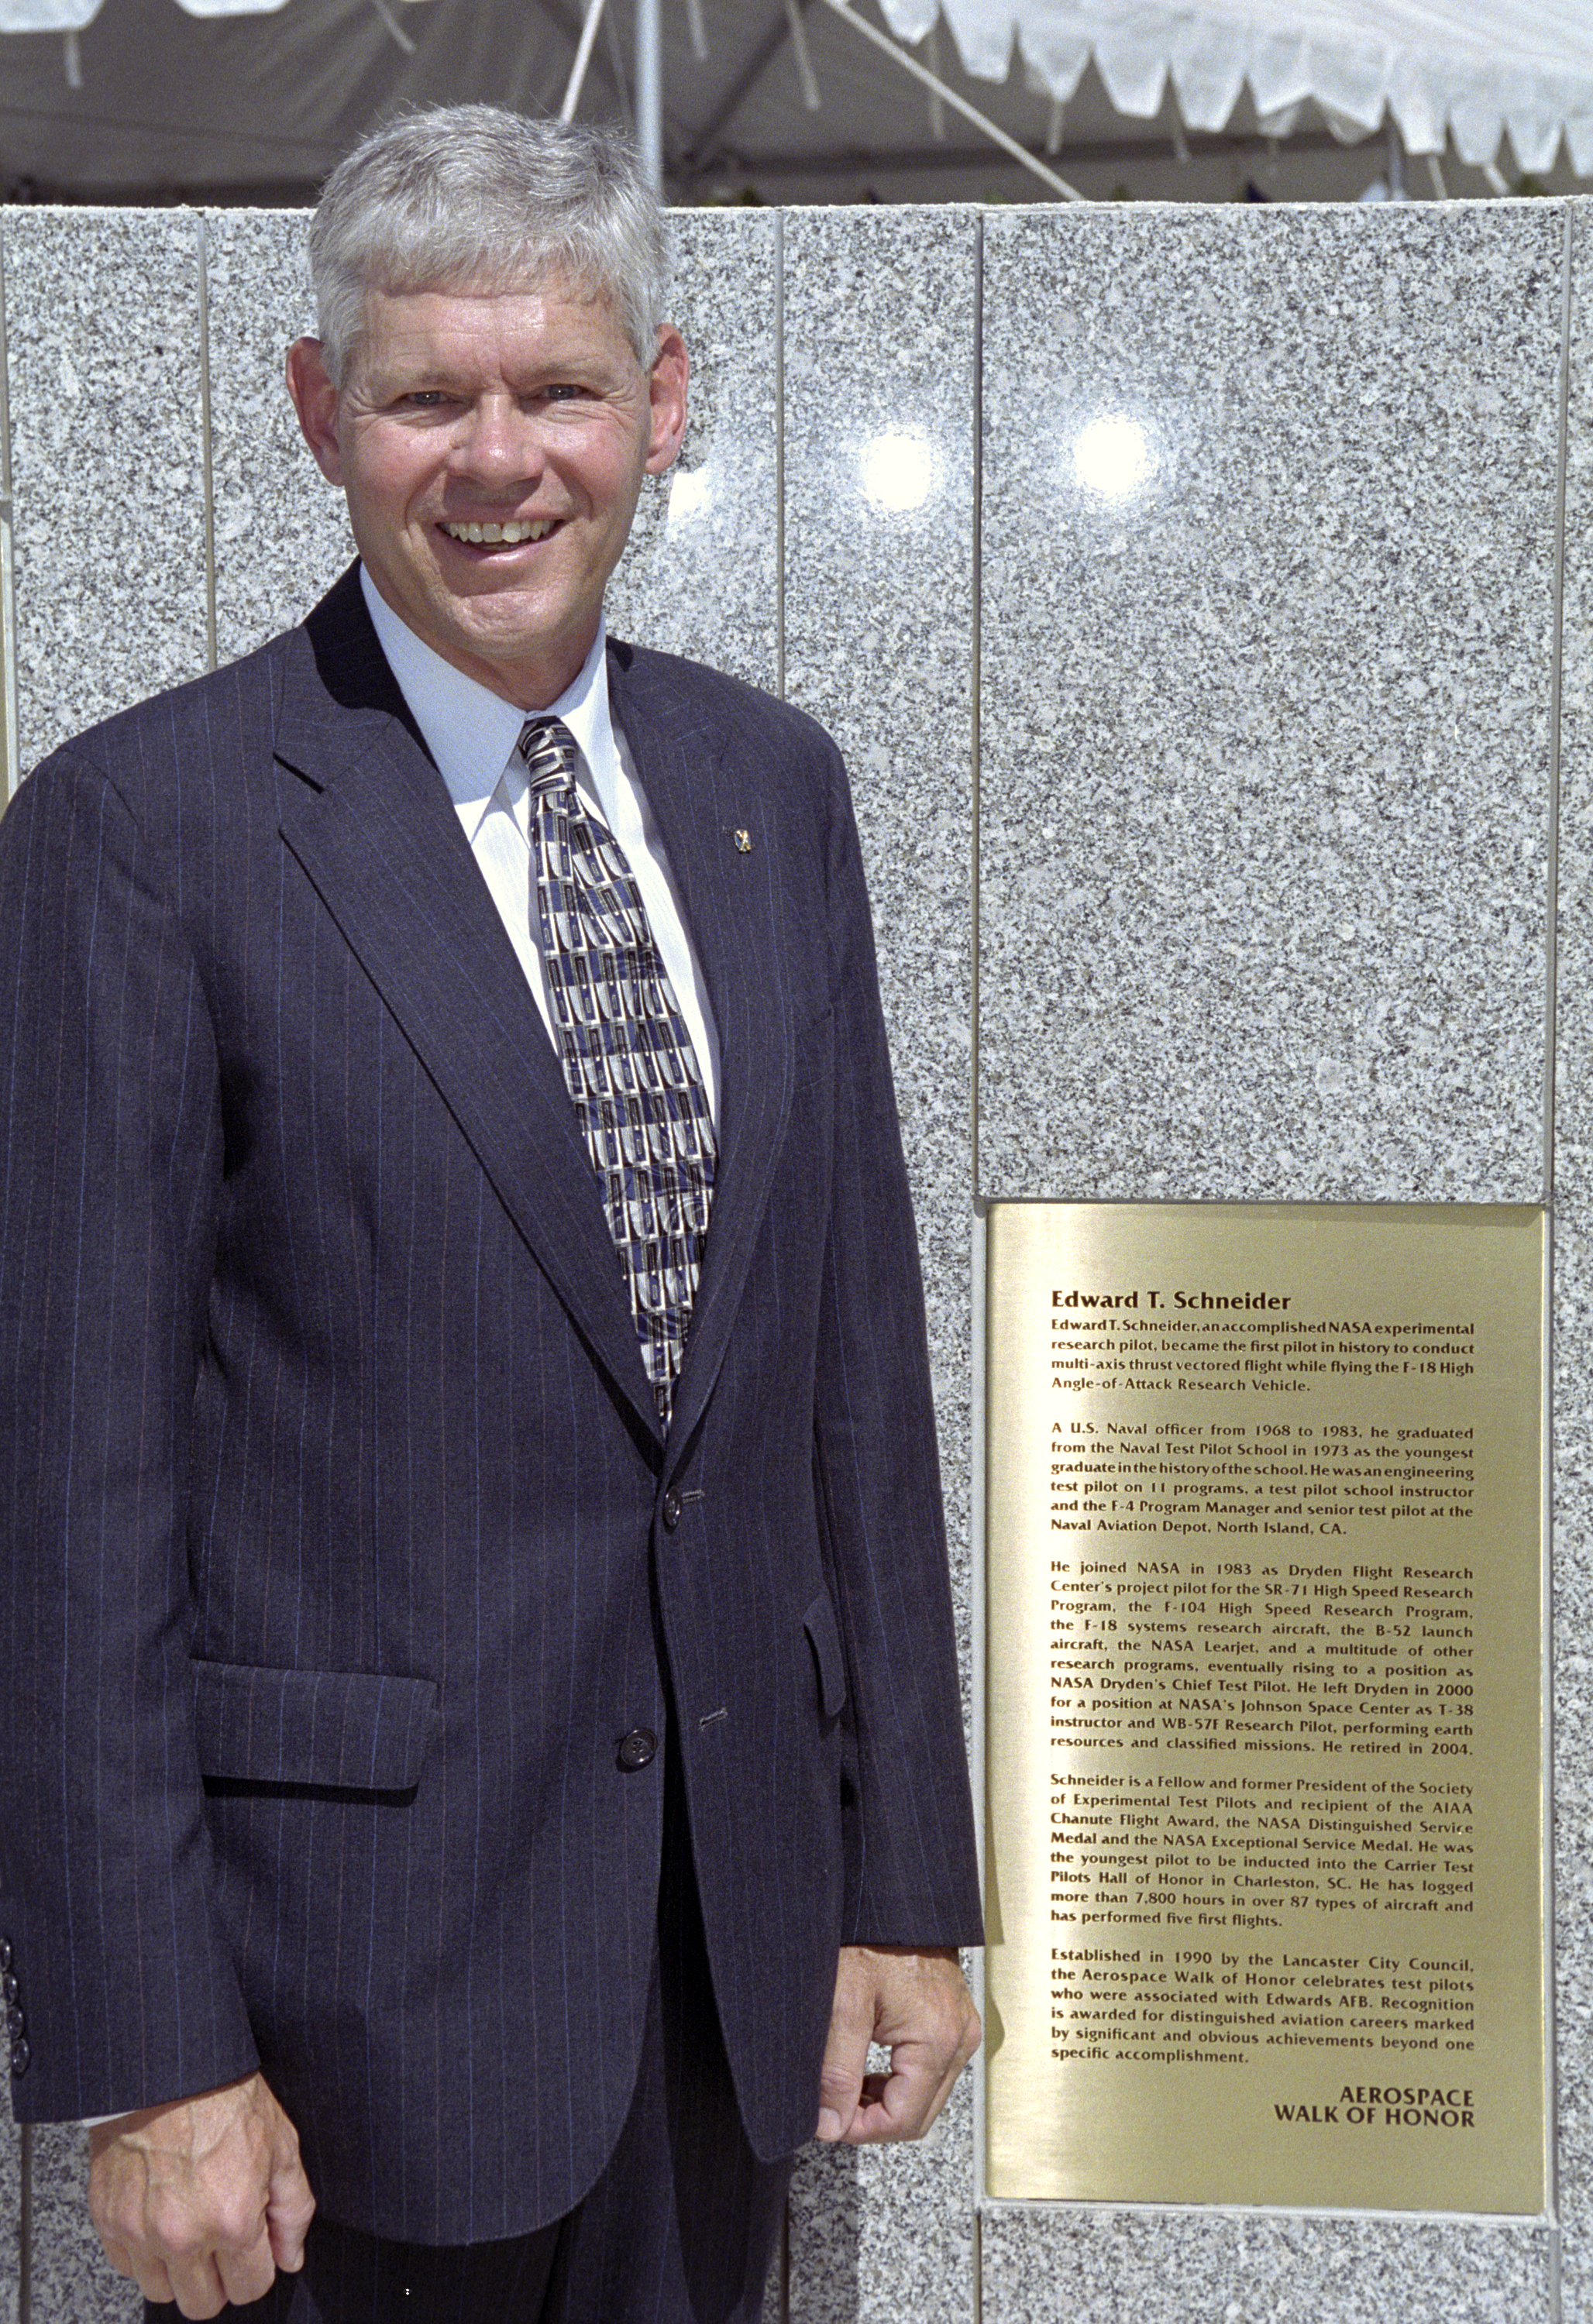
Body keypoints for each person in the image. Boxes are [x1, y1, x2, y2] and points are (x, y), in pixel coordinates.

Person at [0, 105, 981, 2324]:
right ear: (321, 411)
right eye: (431, 395)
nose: (499, 458)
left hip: (726, 1977)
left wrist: (903, 1879)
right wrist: (154, 2060)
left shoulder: (770, 794)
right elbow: (71, 1508)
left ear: (667, 400)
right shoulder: (141, 834)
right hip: (338, 2027)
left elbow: (850, 1374)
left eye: (558, 389)